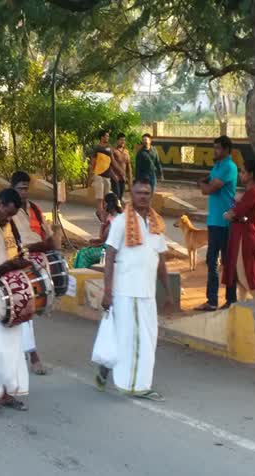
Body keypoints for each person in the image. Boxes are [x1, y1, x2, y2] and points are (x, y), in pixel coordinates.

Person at [0, 189, 46, 416]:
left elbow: (17, 251)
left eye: (12, 214)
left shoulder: (10, 225)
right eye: (6, 212)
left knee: (13, 346)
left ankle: (6, 392)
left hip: (13, 292)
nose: (8, 218)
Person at [97, 178, 170, 401]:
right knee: (139, 341)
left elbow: (161, 261)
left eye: (146, 193)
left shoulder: (156, 223)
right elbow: (109, 255)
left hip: (147, 293)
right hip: (127, 292)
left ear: (151, 195)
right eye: (138, 193)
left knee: (132, 336)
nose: (142, 197)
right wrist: (107, 290)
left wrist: (168, 292)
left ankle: (105, 367)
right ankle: (137, 385)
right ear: (131, 194)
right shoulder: (121, 221)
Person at [9, 171, 58, 375]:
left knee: (24, 312)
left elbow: (49, 236)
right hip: (18, 265)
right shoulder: (8, 211)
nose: (23, 192)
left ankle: (20, 350)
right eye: (20, 189)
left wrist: (53, 240)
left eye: (26, 188)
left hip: (38, 265)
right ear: (12, 189)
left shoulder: (36, 209)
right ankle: (33, 354)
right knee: (25, 311)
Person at [196, 135, 238, 311]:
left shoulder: (228, 166)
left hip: (224, 222)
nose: (216, 151)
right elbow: (209, 182)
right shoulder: (218, 166)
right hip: (215, 220)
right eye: (215, 148)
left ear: (227, 149)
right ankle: (218, 299)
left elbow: (209, 189)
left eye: (218, 148)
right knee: (214, 260)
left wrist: (203, 185)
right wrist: (205, 183)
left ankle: (223, 299)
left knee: (221, 260)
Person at [222, 161, 255, 305]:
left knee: (246, 276)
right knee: (239, 278)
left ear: (251, 175)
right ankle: (242, 309)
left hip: (244, 239)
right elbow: (237, 211)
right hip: (240, 236)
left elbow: (235, 213)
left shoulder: (253, 193)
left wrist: (230, 212)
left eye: (243, 172)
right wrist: (234, 205)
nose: (240, 174)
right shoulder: (249, 193)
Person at [73, 193, 122, 269]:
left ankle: (82, 275)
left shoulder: (117, 218)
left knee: (84, 254)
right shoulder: (111, 216)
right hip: (106, 247)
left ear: (109, 204)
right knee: (81, 251)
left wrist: (103, 221)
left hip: (111, 250)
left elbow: (102, 238)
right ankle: (78, 275)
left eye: (104, 203)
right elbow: (103, 238)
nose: (104, 206)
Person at [90, 129, 118, 210]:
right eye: (106, 136)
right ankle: (100, 213)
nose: (108, 137)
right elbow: (93, 163)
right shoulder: (97, 148)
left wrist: (118, 173)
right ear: (102, 137)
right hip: (98, 175)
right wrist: (90, 176)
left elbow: (113, 162)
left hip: (107, 175)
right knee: (100, 198)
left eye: (108, 136)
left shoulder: (109, 148)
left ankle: (105, 214)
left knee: (107, 197)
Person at [110, 133, 133, 200]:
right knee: (117, 196)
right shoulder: (113, 151)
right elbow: (109, 165)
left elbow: (129, 166)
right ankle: (116, 209)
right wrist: (113, 176)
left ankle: (116, 210)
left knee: (120, 197)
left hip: (123, 178)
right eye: (121, 140)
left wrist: (130, 180)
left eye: (124, 140)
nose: (123, 142)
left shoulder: (126, 152)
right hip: (115, 177)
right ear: (117, 141)